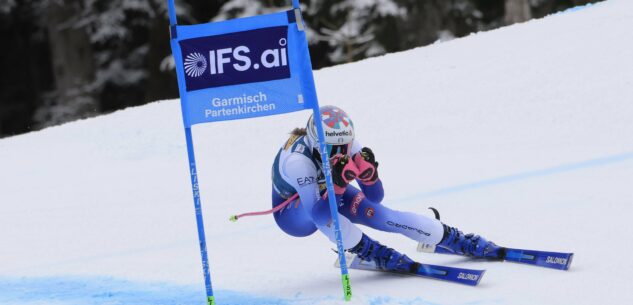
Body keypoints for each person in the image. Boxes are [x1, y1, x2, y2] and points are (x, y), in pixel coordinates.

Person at [270, 105, 503, 272]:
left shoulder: (350, 146)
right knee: (331, 221)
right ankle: (370, 250)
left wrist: (370, 177)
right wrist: (339, 185)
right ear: (317, 144)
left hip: (326, 194)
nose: (341, 154)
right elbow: (319, 216)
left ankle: (453, 238)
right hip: (294, 213)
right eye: (333, 149)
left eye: (345, 146)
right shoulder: (298, 163)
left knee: (384, 216)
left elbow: (375, 198)